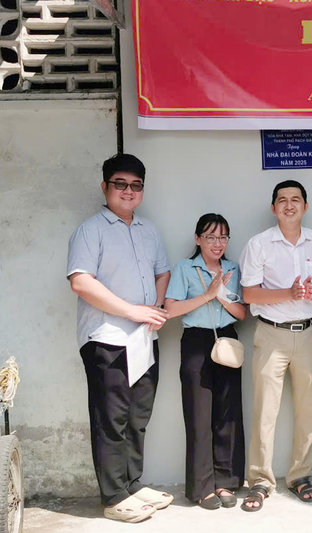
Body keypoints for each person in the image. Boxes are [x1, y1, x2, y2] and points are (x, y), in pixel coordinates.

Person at [67, 153, 173, 523]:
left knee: (137, 415)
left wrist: (155, 308)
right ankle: (113, 497)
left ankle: (132, 484)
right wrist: (132, 311)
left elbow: (163, 271)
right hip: (107, 338)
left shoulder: (149, 230)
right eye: (120, 184)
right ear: (105, 187)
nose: (128, 191)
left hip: (145, 337)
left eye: (136, 185)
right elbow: (81, 282)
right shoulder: (90, 230)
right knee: (110, 418)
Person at [238, 180, 312, 511]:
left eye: (296, 200)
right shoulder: (259, 244)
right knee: (265, 411)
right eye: (282, 200)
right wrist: (289, 293)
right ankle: (260, 481)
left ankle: (299, 476)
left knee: (308, 409)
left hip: (309, 333)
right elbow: (249, 293)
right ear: (273, 208)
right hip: (272, 334)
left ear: (305, 207)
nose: (289, 205)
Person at [164, 214, 246, 510]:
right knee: (199, 417)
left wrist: (221, 296)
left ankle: (226, 481)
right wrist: (208, 295)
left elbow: (242, 313)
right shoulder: (185, 268)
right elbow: (170, 310)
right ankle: (202, 487)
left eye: (223, 237)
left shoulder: (232, 268)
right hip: (196, 342)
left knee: (228, 413)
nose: (217, 243)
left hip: (227, 340)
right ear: (198, 239)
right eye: (211, 237)